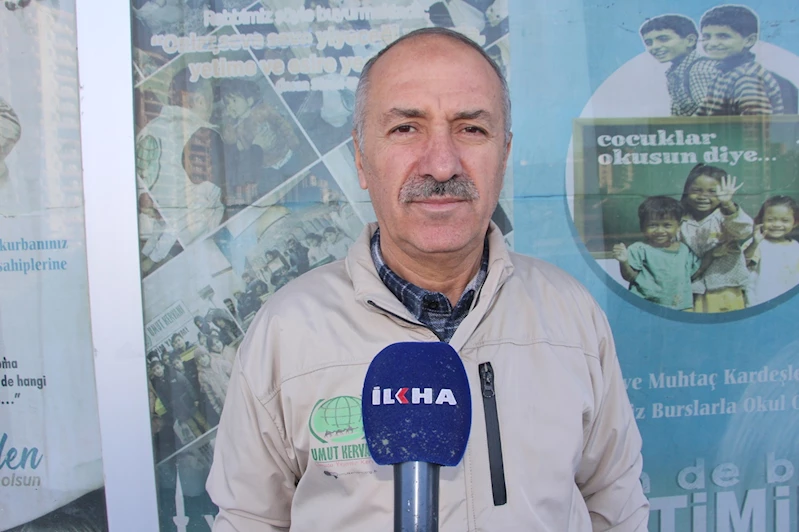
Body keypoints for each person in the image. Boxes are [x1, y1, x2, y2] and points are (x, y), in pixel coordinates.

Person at [207, 27, 648, 531]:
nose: (441, 165)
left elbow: (616, 505)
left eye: (471, 129)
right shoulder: (287, 330)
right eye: (406, 128)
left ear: (504, 156)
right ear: (361, 158)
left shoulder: (569, 314)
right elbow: (249, 520)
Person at [135, 68, 226, 246]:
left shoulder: (148, 132)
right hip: (194, 243)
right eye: (210, 100)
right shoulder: (205, 136)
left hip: (155, 239)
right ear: (200, 101)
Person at [679, 164, 753, 313]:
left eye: (712, 192)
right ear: (687, 191)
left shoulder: (726, 216)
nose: (703, 196)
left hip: (726, 289)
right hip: (693, 290)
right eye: (696, 190)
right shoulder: (681, 220)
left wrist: (728, 204)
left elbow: (744, 231)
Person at [614, 196, 702, 310]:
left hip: (681, 307)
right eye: (653, 225)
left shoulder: (684, 250)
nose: (660, 231)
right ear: (642, 226)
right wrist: (624, 262)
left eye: (667, 225)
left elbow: (693, 273)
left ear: (678, 226)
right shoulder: (639, 249)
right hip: (646, 307)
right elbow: (630, 277)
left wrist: (711, 255)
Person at [695, 5, 784, 116]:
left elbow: (755, 124)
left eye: (723, 36)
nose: (712, 43)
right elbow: (700, 118)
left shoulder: (748, 77)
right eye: (706, 37)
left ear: (749, 40)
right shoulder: (722, 73)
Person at [639, 14, 720, 116]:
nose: (654, 46)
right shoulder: (676, 73)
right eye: (649, 43)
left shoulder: (698, 69)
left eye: (663, 39)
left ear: (690, 41)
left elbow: (711, 115)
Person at [744, 195, 799, 306]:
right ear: (760, 220)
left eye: (785, 220)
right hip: (760, 303)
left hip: (789, 305)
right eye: (770, 220)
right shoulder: (756, 243)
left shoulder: (795, 246)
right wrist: (754, 243)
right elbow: (742, 263)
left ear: (795, 223)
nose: (777, 224)